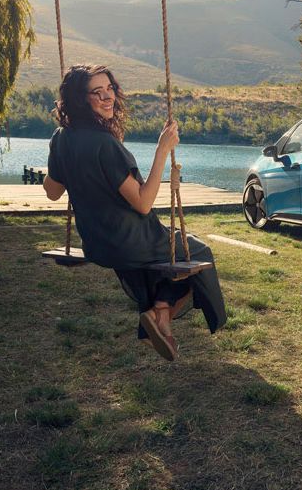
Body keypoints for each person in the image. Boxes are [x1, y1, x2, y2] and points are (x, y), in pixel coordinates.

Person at [43, 64, 226, 361]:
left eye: (110, 89)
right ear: (80, 99)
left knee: (168, 260)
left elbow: (52, 191)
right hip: (130, 240)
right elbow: (143, 203)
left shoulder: (61, 138)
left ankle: (160, 318)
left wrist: (64, 163)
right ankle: (160, 313)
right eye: (97, 92)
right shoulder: (105, 144)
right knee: (198, 253)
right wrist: (162, 150)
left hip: (97, 244)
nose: (108, 98)